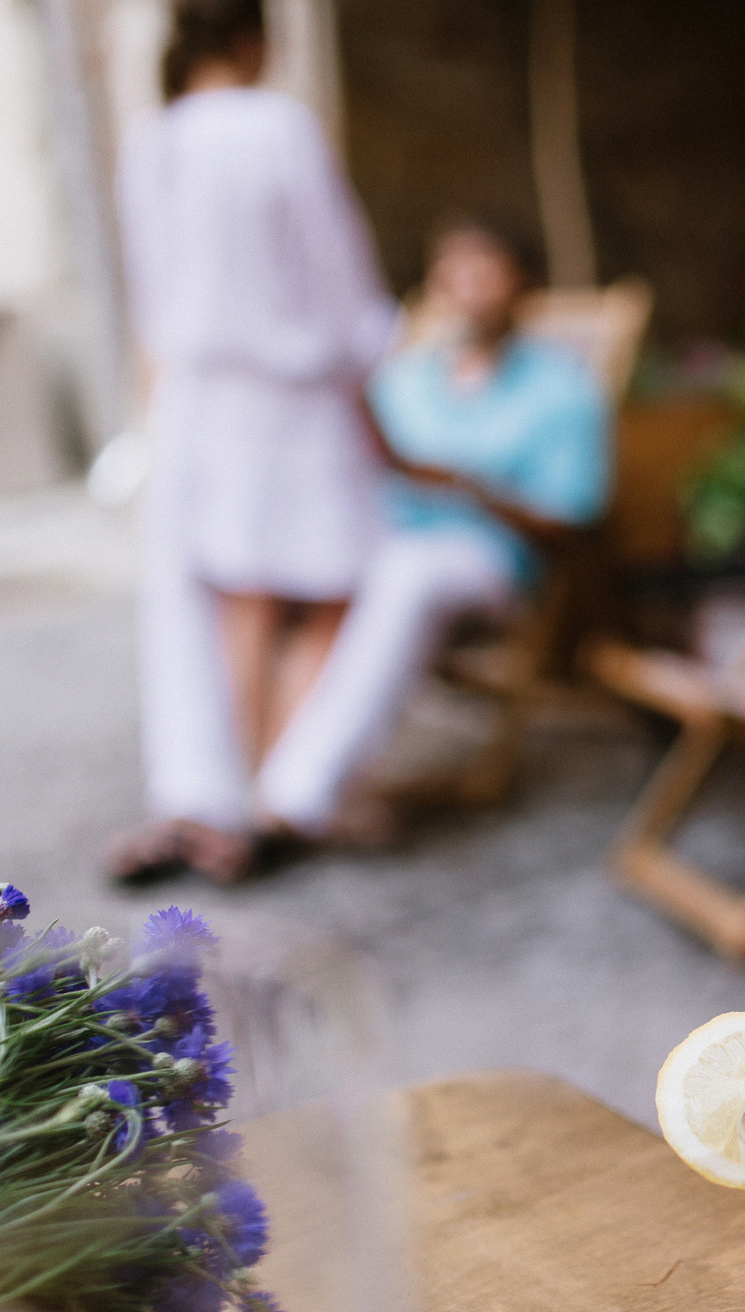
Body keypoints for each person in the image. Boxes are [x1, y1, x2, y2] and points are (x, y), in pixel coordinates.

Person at [109, 0, 397, 883]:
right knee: (334, 592)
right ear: (254, 40)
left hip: (196, 401)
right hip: (292, 400)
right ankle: (282, 794)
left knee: (238, 598)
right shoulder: (277, 127)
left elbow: (149, 297)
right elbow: (337, 273)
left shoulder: (151, 140)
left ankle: (220, 798)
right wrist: (370, 363)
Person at [252, 217, 612, 844]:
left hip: (487, 561)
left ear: (524, 285)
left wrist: (466, 487)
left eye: (484, 269)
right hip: (381, 542)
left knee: (410, 572)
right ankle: (269, 778)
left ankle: (295, 799)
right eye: (452, 269)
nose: (465, 284)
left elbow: (573, 524)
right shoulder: (404, 379)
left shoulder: (562, 387)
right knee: (296, 565)